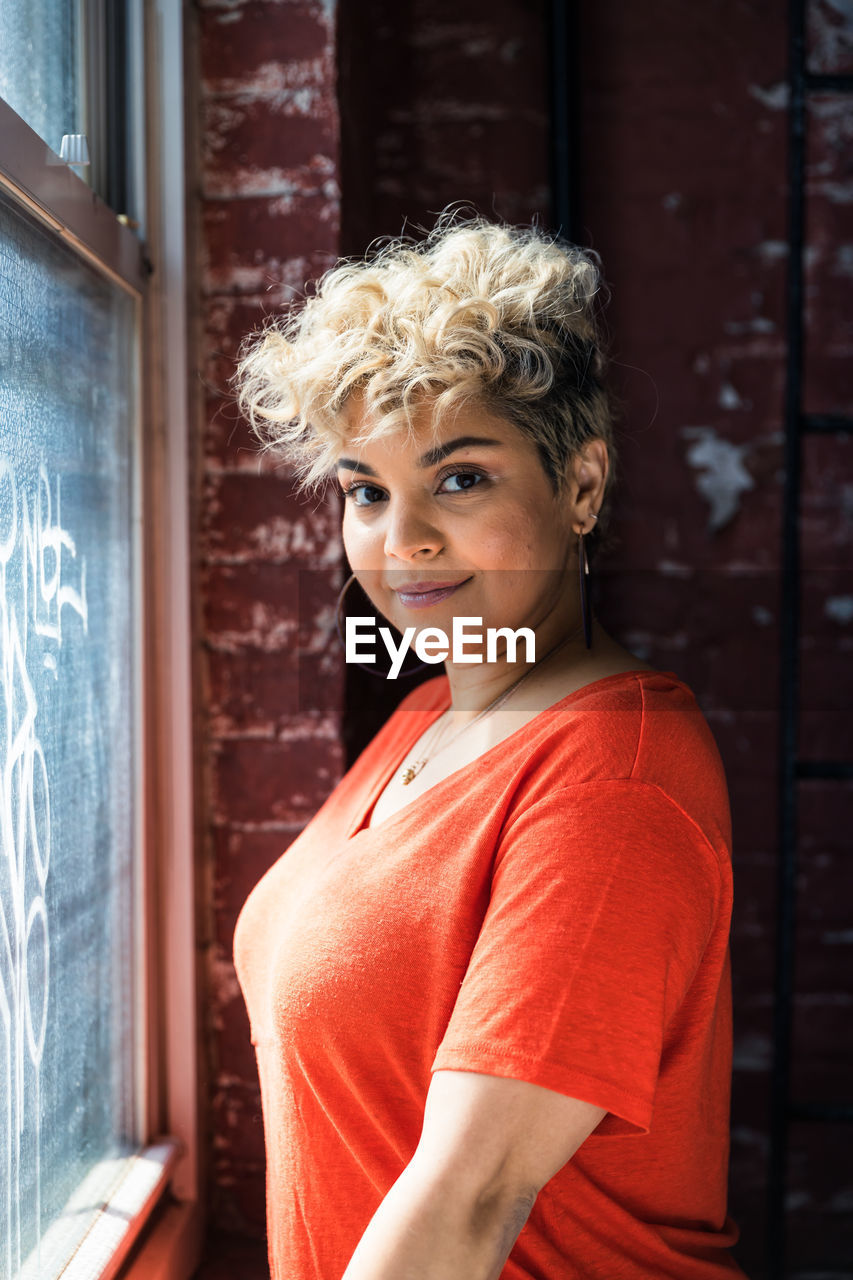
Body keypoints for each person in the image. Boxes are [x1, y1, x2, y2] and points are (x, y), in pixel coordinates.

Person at [232, 213, 745, 1280]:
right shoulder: (429, 715)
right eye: (366, 489)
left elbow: (472, 1198)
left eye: (458, 477)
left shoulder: (613, 773)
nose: (402, 537)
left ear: (581, 486)